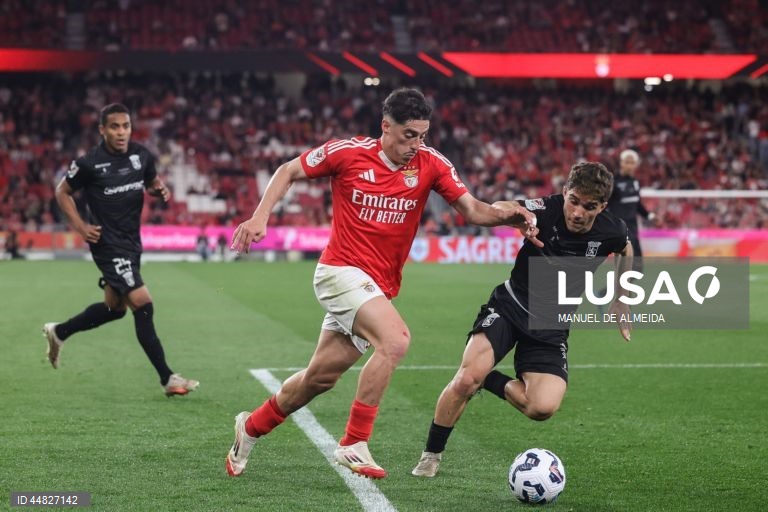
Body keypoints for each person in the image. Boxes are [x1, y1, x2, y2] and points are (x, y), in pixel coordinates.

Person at [225, 88, 542, 480]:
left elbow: (475, 209)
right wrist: (260, 218)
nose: (417, 144)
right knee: (395, 341)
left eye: (423, 135)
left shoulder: (431, 163)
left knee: (318, 379)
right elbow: (288, 170)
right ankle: (354, 442)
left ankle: (250, 428)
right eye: (409, 135)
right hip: (339, 271)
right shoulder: (348, 152)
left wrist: (510, 215)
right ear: (385, 127)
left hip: (377, 286)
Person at [411, 161, 633, 478]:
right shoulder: (545, 210)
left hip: (550, 326)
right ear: (566, 192)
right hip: (510, 307)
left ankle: (487, 379)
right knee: (464, 380)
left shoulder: (612, 229)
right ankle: (431, 455)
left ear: (603, 206)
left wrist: (621, 296)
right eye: (574, 200)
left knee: (541, 408)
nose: (579, 212)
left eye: (590, 206)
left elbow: (626, 248)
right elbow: (506, 207)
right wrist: (517, 216)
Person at [43, 103, 199, 397]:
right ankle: (168, 378)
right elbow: (61, 191)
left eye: (125, 126)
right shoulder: (89, 163)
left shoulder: (141, 156)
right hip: (106, 243)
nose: (121, 132)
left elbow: (152, 181)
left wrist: (158, 189)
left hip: (131, 243)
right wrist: (79, 225)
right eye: (114, 127)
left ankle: (59, 332)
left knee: (114, 310)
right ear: (102, 130)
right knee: (143, 303)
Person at [606, 149, 655, 272]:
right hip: (621, 229)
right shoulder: (613, 182)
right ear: (621, 163)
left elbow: (637, 204)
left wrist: (650, 216)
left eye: (632, 162)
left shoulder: (635, 182)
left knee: (636, 269)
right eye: (626, 162)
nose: (629, 165)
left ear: (636, 165)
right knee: (630, 268)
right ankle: (608, 291)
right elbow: (605, 205)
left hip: (633, 229)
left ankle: (606, 291)